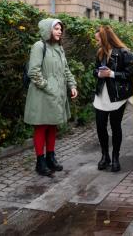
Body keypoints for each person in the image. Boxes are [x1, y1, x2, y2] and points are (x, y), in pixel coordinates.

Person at [24, 18, 78, 177]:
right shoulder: (39, 46)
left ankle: (51, 158)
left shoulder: (59, 48)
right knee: (41, 126)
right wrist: (49, 87)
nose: (59, 31)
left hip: (57, 95)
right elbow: (33, 71)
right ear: (48, 30)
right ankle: (40, 162)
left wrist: (72, 85)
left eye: (60, 29)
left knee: (53, 126)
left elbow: (66, 70)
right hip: (42, 95)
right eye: (56, 28)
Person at [93, 25, 133, 172]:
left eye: (98, 40)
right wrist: (99, 73)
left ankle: (115, 157)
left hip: (117, 96)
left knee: (116, 126)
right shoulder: (100, 53)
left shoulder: (125, 53)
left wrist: (111, 74)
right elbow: (95, 70)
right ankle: (105, 156)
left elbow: (130, 75)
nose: (97, 43)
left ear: (105, 39)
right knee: (100, 126)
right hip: (101, 95)